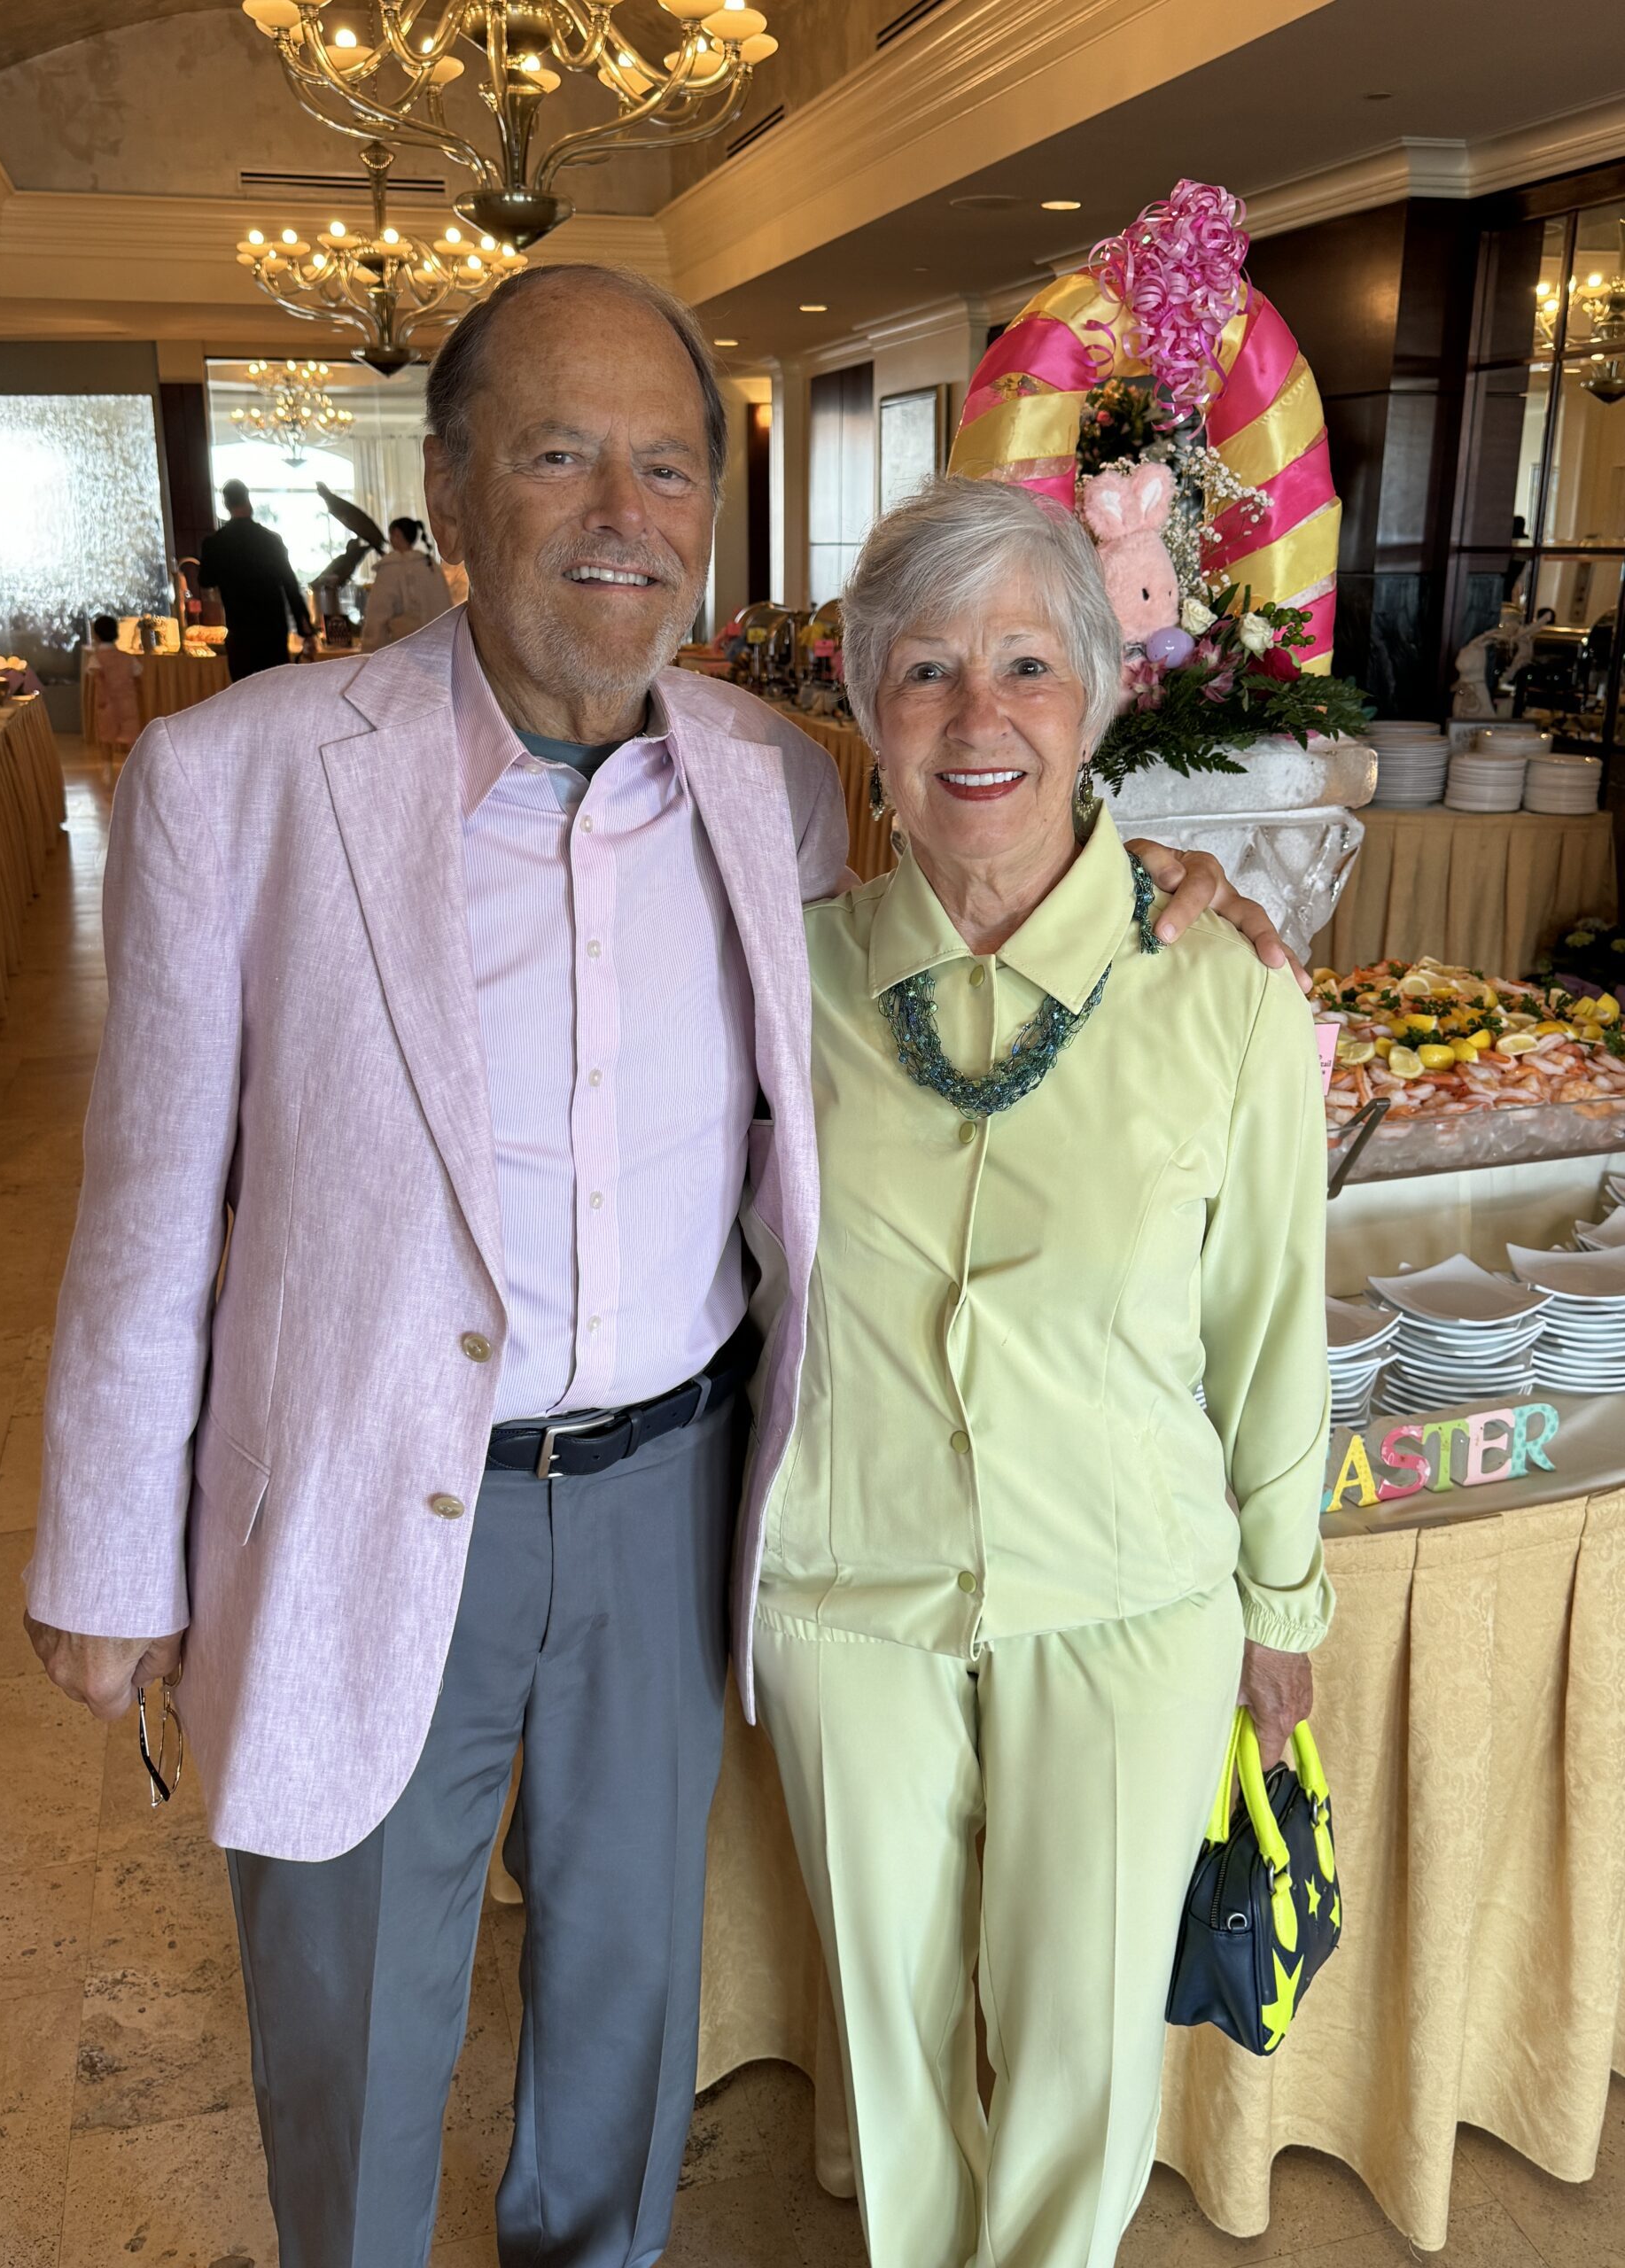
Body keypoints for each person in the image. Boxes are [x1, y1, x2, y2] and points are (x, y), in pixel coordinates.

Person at [21, 264, 1296, 2268]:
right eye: (559, 455)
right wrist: (110, 1558)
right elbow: (149, 1201)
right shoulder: (241, 776)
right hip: (363, 1485)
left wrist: (1161, 881)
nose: (624, 511)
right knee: (359, 2010)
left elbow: (977, 873)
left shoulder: (768, 779)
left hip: (668, 1494)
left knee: (626, 2001)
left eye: (670, 465)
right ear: (453, 489)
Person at [750, 476, 1333, 2268]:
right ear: (866, 710)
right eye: (925, 668)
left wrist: (1281, 1600)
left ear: (1098, 697)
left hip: (1129, 1595)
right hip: (849, 1589)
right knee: (892, 2038)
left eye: (1026, 664)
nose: (977, 716)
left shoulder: (1225, 992)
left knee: (1084, 2049)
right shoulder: (785, 980)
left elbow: (1271, 1322)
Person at [197, 478, 315, 680]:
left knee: (245, 693)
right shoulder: (270, 541)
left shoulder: (215, 544)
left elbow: (205, 580)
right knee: (275, 690)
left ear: (226, 505)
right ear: (248, 500)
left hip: (240, 635)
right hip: (273, 635)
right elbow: (290, 586)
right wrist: (306, 631)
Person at [360, 515, 454, 650]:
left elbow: (378, 614)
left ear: (397, 534)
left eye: (391, 535)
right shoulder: (430, 566)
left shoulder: (391, 569)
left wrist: (370, 649)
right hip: (439, 647)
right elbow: (445, 608)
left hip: (404, 651)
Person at [82, 613, 144, 755]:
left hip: (107, 704)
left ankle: (107, 767)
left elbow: (97, 678)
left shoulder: (96, 658)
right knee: (131, 738)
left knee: (107, 738)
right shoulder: (128, 657)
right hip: (128, 703)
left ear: (96, 636)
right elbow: (138, 677)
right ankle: (134, 764)